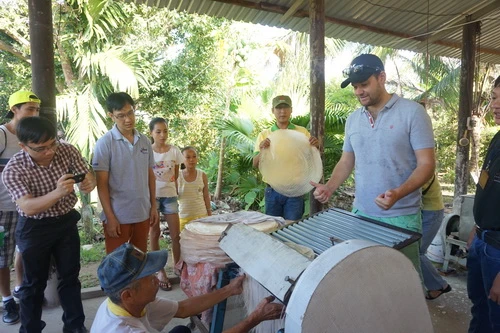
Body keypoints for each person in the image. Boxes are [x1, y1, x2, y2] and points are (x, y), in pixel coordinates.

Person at [311, 54, 435, 274]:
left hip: (401, 217)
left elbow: (426, 164)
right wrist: (329, 187)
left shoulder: (413, 113)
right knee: (366, 279)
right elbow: (347, 160)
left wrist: (398, 193)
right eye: (356, 86)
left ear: (382, 77)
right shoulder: (353, 119)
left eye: (365, 84)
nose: (359, 91)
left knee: (402, 284)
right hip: (361, 214)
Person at [2, 116, 96, 333]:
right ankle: (30, 329)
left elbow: (86, 175)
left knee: (70, 278)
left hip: (65, 223)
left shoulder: (67, 150)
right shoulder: (14, 169)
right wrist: (57, 192)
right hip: (34, 227)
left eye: (52, 143)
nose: (49, 151)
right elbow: (27, 207)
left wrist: (89, 181)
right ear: (23, 146)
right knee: (33, 284)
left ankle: (75, 326)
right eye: (41, 148)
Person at [91, 243, 284, 333]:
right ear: (128, 295)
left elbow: (182, 309)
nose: (158, 280)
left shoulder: (128, 304)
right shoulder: (122, 330)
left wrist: (229, 290)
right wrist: (255, 318)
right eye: (150, 278)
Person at [92, 92, 159, 254]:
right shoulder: (104, 143)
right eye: (121, 115)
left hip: (142, 212)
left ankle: (140, 280)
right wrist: (110, 217)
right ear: (111, 116)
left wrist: (153, 206)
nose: (127, 119)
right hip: (118, 215)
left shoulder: (144, 141)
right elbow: (101, 184)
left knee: (139, 258)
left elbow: (150, 175)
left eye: (130, 113)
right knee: (117, 264)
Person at [0, 90, 40, 325]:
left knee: (24, 251)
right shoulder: (4, 135)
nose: (33, 114)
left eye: (36, 110)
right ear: (14, 109)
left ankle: (19, 289)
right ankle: (7, 300)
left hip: (28, 207)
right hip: (3, 208)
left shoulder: (35, 135)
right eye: (29, 109)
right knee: (2, 257)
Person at [467, 75, 500, 332]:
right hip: (482, 241)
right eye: (494, 97)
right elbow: (486, 187)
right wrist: (476, 228)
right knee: (479, 308)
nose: (495, 105)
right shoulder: (497, 139)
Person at [253, 95, 319, 220]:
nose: (282, 112)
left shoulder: (302, 132)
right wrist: (262, 150)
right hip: (272, 191)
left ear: (291, 110)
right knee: (272, 228)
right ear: (273, 110)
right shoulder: (264, 135)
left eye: (285, 108)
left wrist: (316, 146)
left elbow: (313, 158)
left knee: (292, 228)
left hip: (295, 190)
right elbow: (255, 164)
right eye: (278, 108)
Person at [149, 117, 183, 291]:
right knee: (154, 233)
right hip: (152, 197)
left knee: (176, 235)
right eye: (158, 131)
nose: (163, 135)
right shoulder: (147, 152)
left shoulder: (175, 151)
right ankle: (159, 271)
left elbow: (175, 175)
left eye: (165, 131)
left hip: (170, 196)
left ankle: (178, 267)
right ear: (151, 133)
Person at [420, 175, 451, 300]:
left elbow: (413, 190)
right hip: (424, 211)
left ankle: (439, 285)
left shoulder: (420, 165)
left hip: (431, 212)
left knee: (417, 251)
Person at [177, 146, 211, 231]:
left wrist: (209, 213)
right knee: (184, 242)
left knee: (201, 241)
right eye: (188, 157)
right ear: (182, 160)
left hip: (201, 216)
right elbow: (174, 196)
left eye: (194, 156)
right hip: (184, 217)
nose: (191, 160)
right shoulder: (177, 176)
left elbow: (206, 196)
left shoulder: (202, 175)